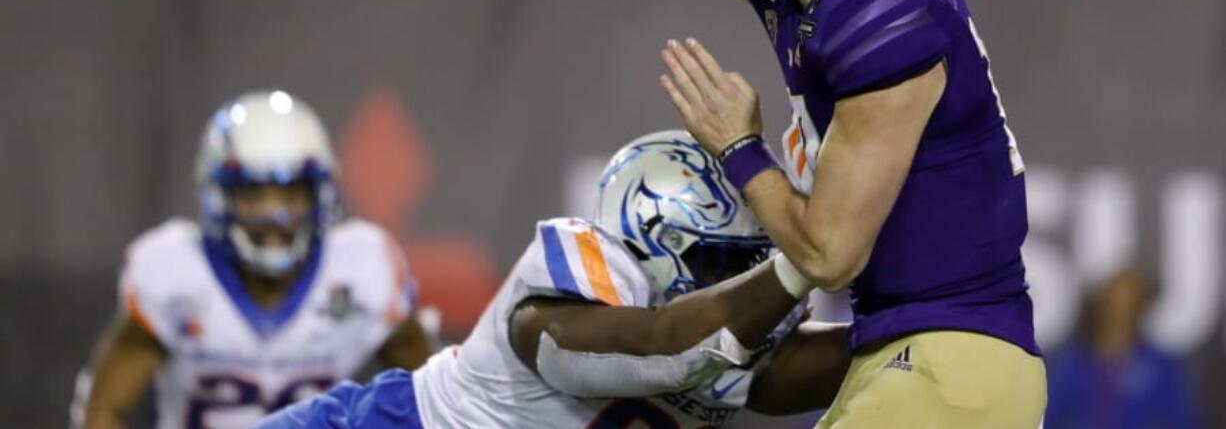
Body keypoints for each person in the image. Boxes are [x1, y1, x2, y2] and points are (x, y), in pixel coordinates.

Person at [390, 0, 1046, 427]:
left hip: (948, 357)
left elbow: (829, 252)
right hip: (915, 349)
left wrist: (742, 149)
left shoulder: (881, 16)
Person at [254, 130, 850, 428]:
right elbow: (668, 344)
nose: (745, 281)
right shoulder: (577, 276)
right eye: (724, 263)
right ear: (651, 238)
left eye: (756, 258)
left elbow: (855, 358)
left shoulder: (722, 335)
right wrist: (803, 258)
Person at [75, 91, 431, 429]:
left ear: (319, 194)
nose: (274, 215)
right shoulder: (174, 272)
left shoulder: (363, 270)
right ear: (219, 195)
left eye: (291, 194)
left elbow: (430, 398)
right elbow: (106, 411)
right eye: (253, 195)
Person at [1046, 266, 1201, 429]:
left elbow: (1184, 421)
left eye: (1130, 302)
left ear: (1143, 309)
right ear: (1101, 306)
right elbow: (1047, 419)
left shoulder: (1161, 369)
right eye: (1114, 302)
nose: (1121, 311)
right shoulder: (1073, 365)